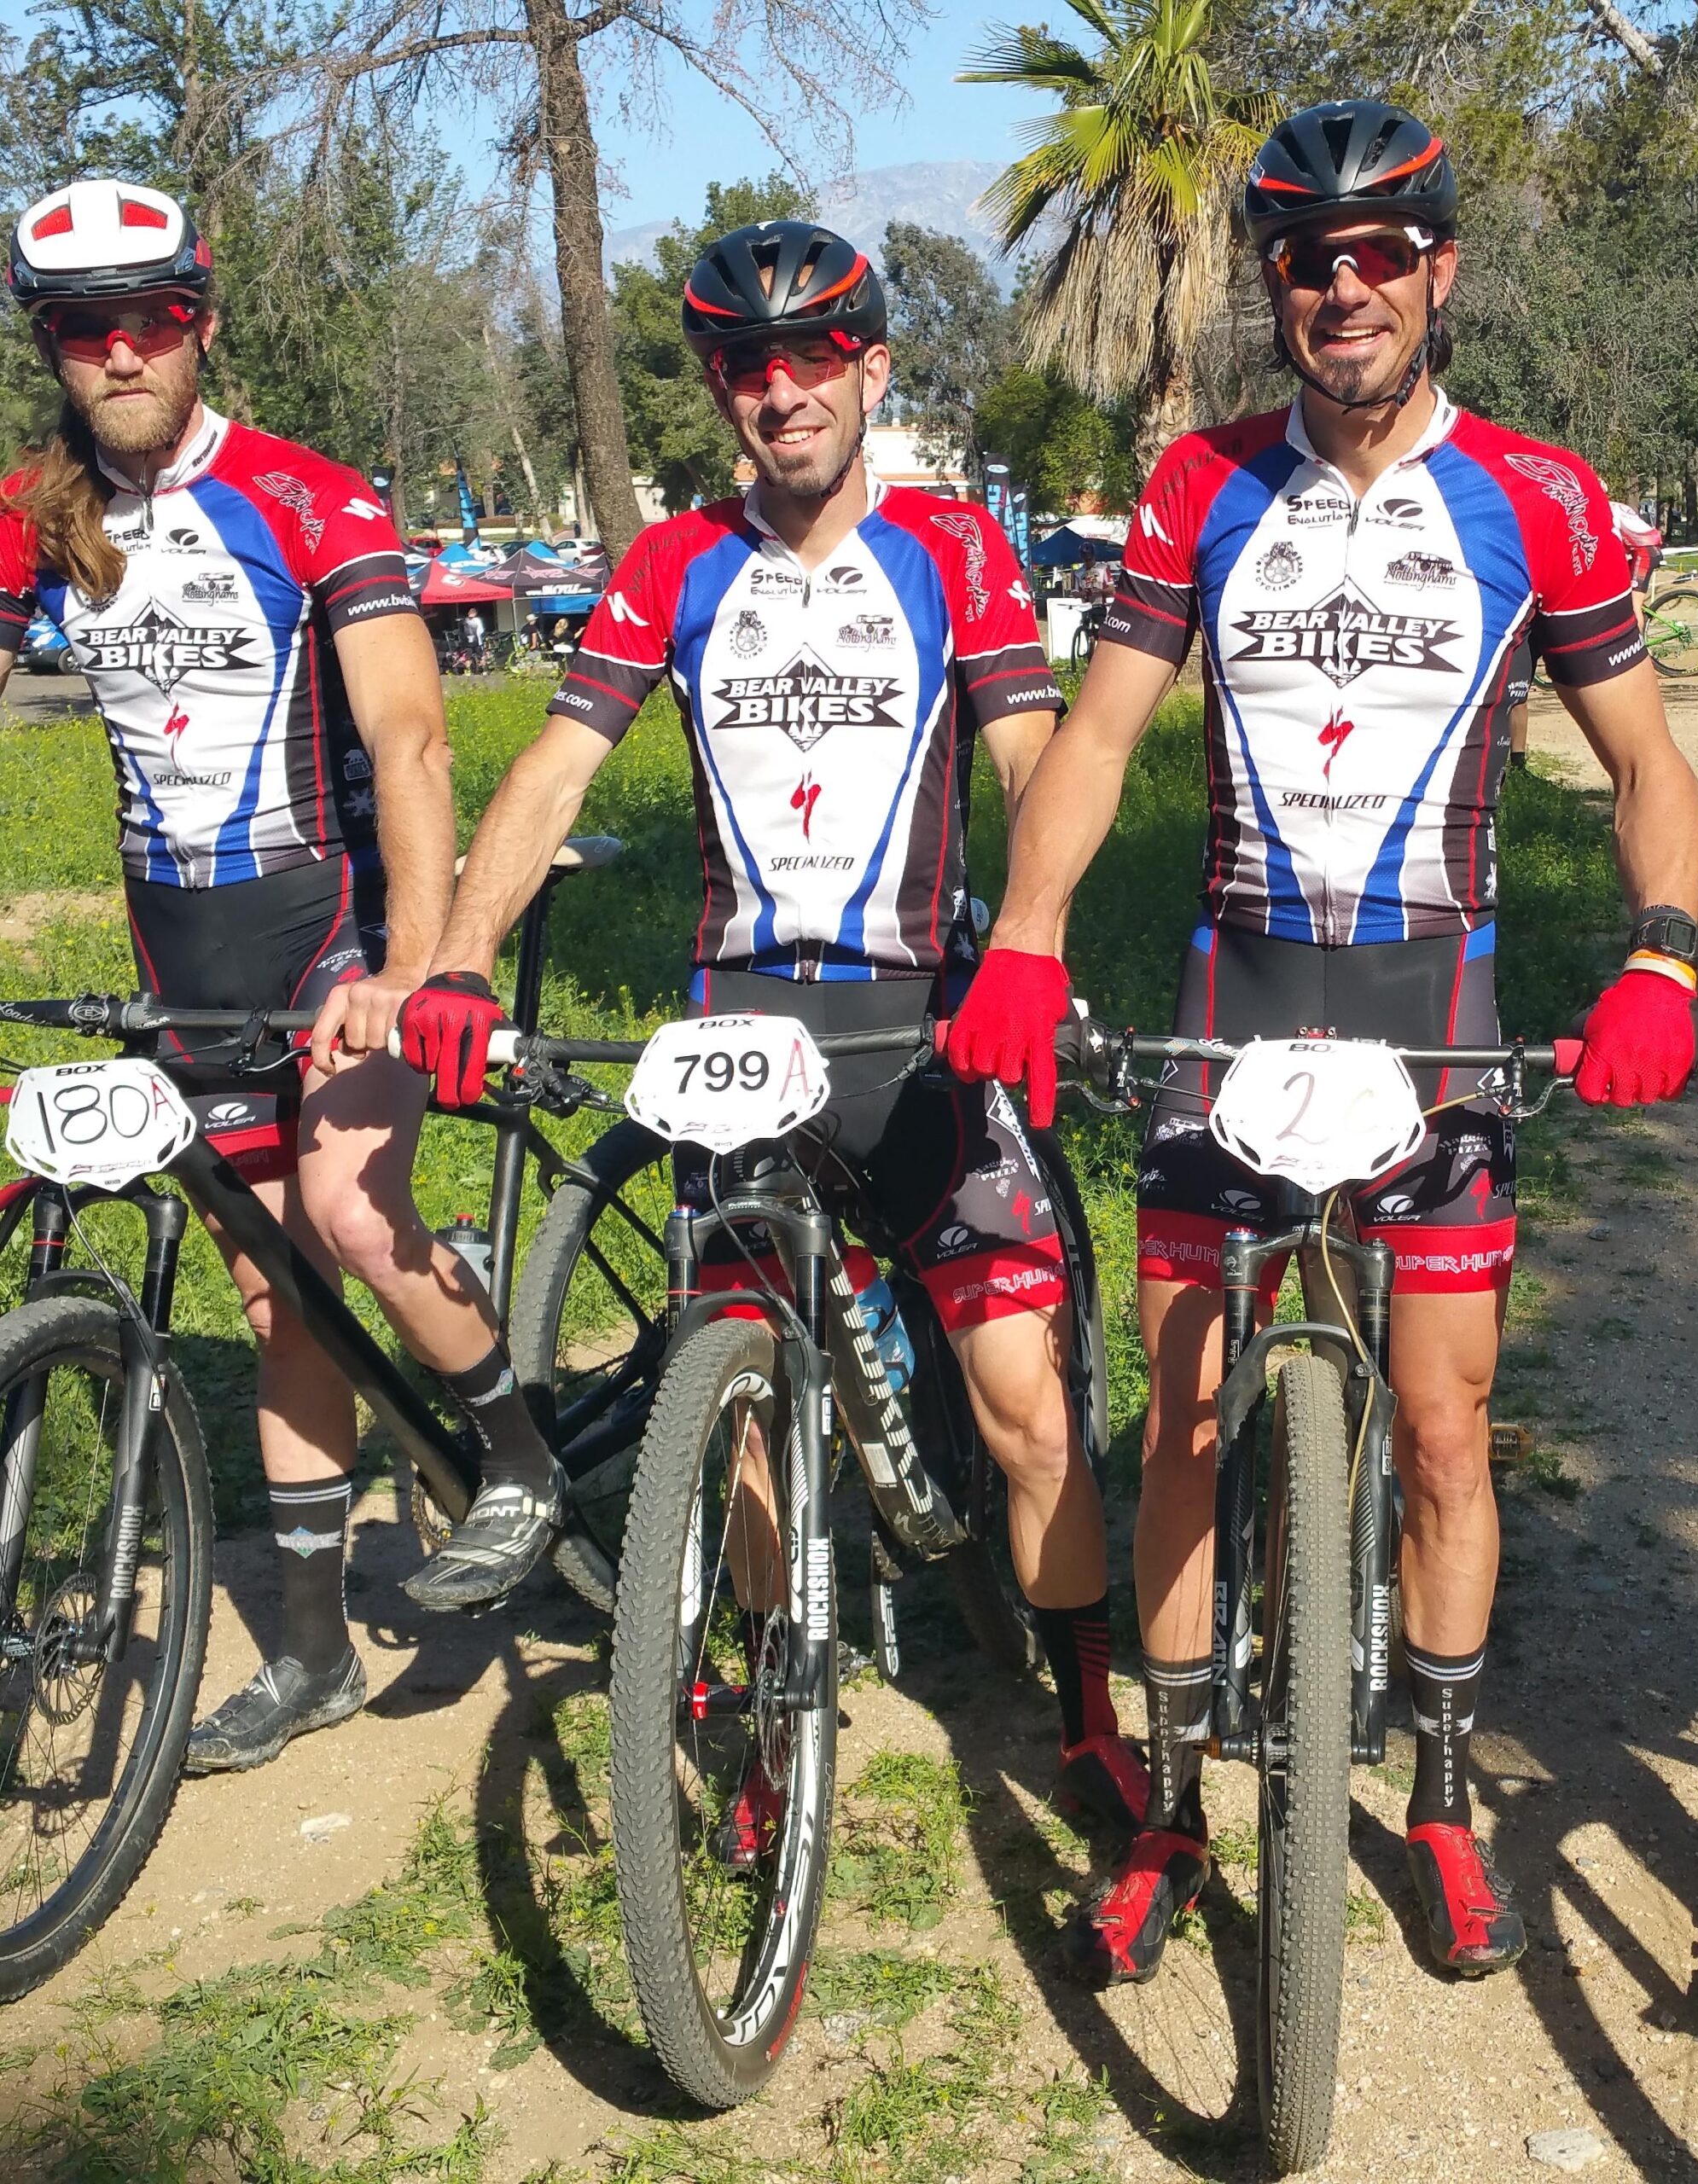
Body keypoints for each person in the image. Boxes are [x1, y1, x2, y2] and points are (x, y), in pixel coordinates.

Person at [945, 101, 1698, 1987]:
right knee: (1184, 1424)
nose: (1343, 287)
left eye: (1380, 253)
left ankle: (1439, 1798)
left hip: (1431, 1002)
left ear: (1439, 272)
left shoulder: (1535, 493)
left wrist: (1665, 957)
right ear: (1272, 287)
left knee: (1444, 1429)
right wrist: (1027, 939)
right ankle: (1177, 1810)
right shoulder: (1198, 486)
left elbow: (1646, 762)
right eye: (1307, 258)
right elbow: (1105, 736)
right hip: (1236, 996)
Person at [397, 220, 1148, 1832]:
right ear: (722, 392)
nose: (783, 389)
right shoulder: (672, 566)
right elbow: (550, 777)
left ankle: (1085, 1708)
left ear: (872, 369)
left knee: (1022, 1397)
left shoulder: (954, 550)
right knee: (731, 1398)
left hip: (924, 1027)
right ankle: (761, 1698)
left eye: (816, 356)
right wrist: (458, 959)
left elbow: (1037, 763)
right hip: (738, 1029)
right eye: (750, 365)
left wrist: (1033, 949)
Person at [0, 180, 567, 1772]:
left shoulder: (309, 499)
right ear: (52, 347)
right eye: (81, 328)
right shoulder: (35, 519)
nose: (120, 352)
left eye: (150, 319)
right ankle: (313, 1656)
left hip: (329, 929)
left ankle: (517, 1457)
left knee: (349, 1215)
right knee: (271, 1296)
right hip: (177, 943)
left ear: (202, 322)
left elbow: (408, 734)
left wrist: (410, 963)